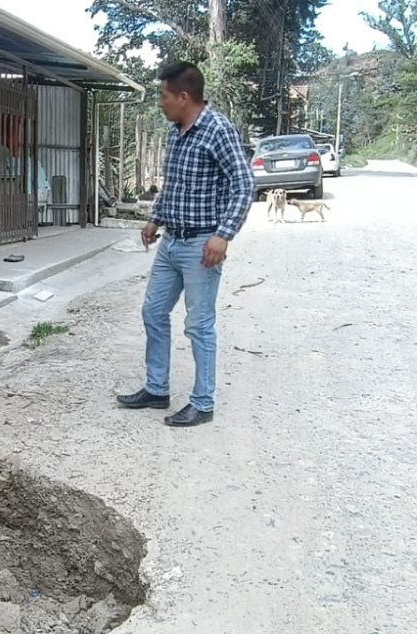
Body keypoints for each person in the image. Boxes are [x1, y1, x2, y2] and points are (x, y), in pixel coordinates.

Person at [116, 61, 254, 427]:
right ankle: (157, 388)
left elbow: (244, 185)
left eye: (163, 96)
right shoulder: (177, 131)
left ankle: (203, 402)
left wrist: (223, 234)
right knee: (153, 312)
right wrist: (154, 219)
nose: (160, 103)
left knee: (199, 325)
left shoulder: (218, 130)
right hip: (171, 242)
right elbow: (173, 184)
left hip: (201, 246)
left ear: (183, 96)